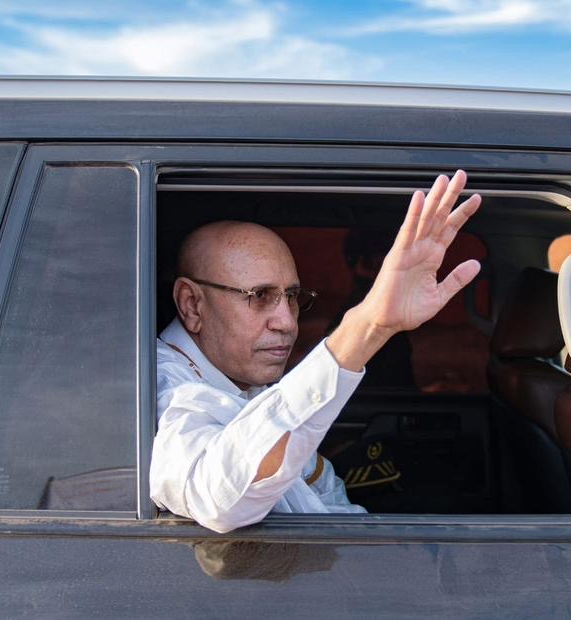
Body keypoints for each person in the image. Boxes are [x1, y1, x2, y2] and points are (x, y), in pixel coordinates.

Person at [150, 171, 482, 532]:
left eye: (292, 296)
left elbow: (326, 495)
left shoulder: (239, 381)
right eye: (260, 296)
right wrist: (370, 324)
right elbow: (218, 496)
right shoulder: (162, 390)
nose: (287, 322)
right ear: (192, 305)